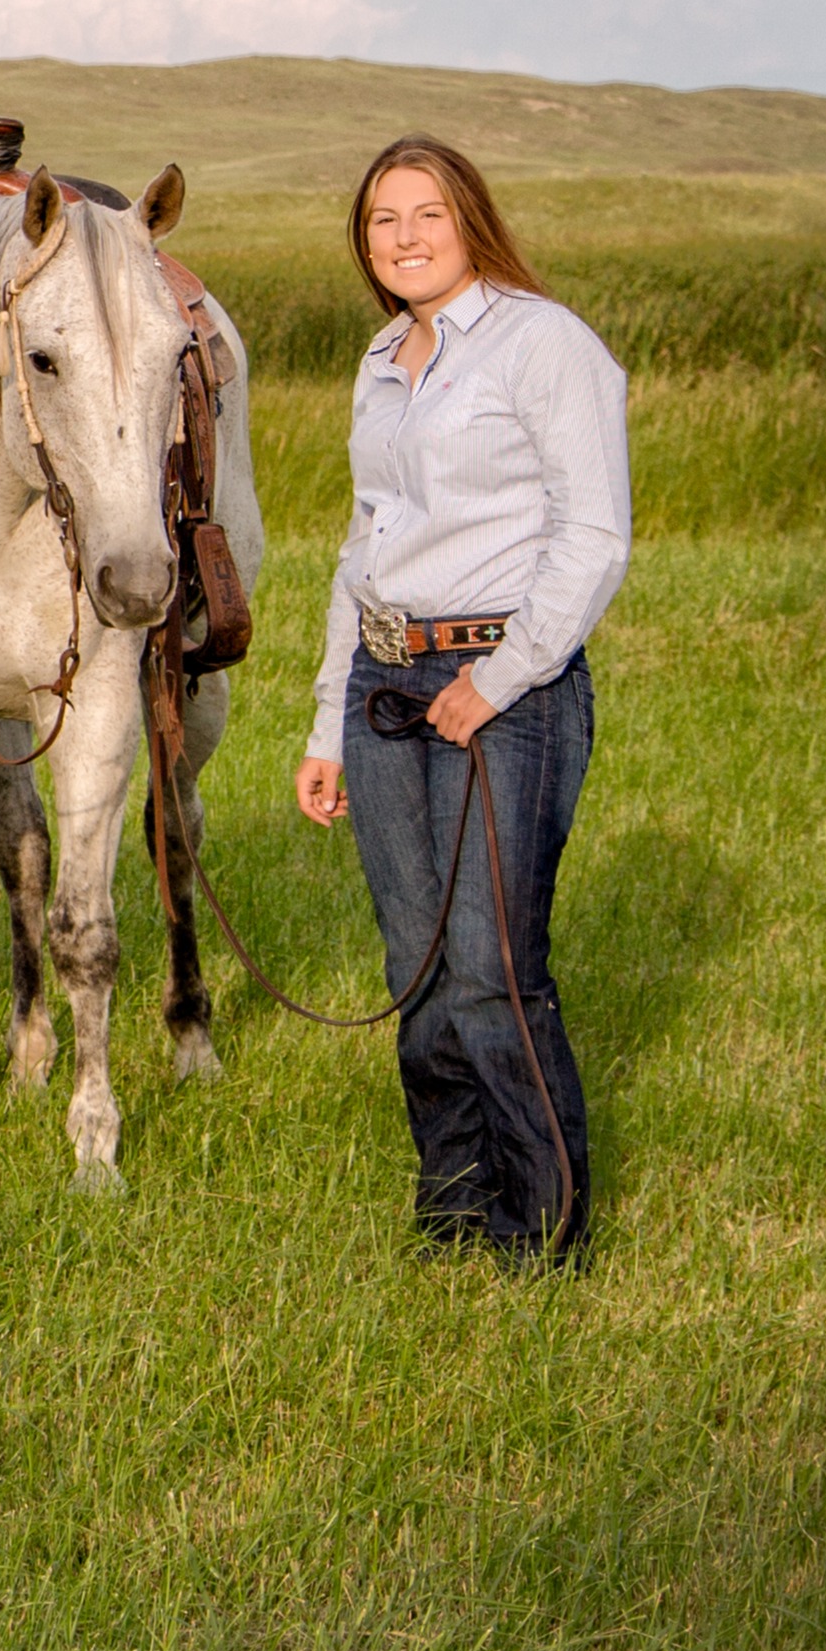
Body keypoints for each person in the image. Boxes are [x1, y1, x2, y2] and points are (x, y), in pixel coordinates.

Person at [294, 133, 628, 1268]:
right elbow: (364, 546)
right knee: (417, 969)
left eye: (426, 212)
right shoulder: (384, 358)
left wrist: (497, 678)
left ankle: (542, 1230)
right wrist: (328, 718)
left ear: (469, 218)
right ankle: (453, 1209)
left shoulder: (545, 343)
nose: (404, 236)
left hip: (507, 685)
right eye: (383, 219)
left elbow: (593, 536)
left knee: (490, 968)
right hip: (385, 683)